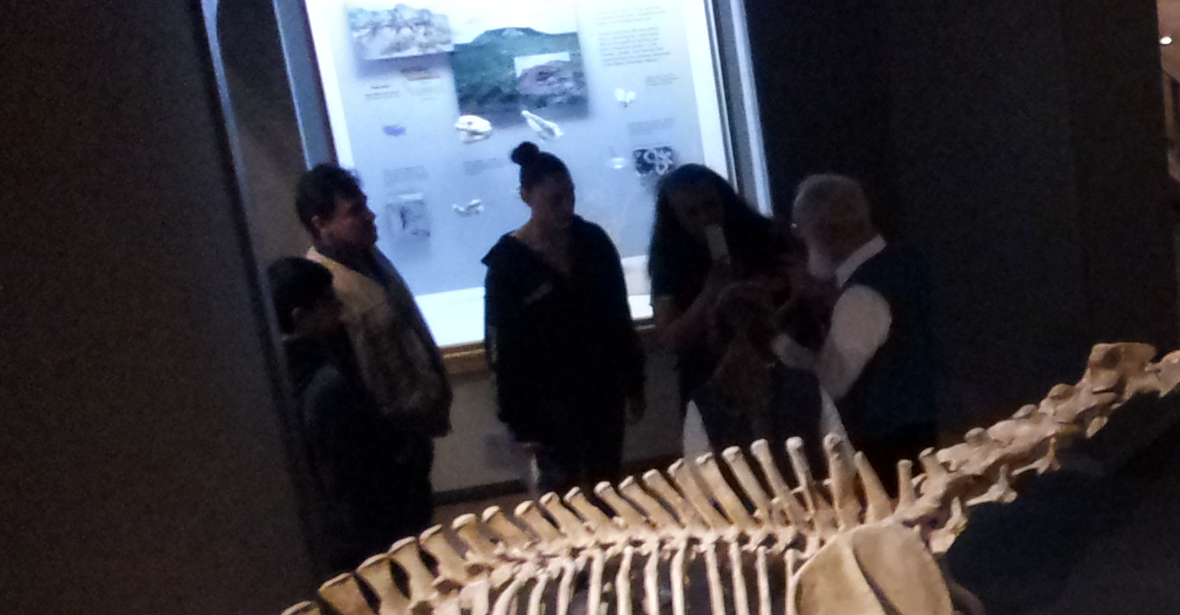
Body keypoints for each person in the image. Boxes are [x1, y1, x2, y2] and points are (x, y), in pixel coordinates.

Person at [295, 162, 448, 543]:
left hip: (411, 439)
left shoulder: (373, 259)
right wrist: (388, 442)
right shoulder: (320, 288)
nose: (370, 216)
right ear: (320, 224)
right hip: (380, 453)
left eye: (365, 205)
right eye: (354, 211)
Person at [483, 142, 642, 490]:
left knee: (606, 487)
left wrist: (634, 381)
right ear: (526, 197)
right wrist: (517, 420)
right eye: (555, 199)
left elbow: (618, 316)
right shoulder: (508, 263)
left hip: (601, 391)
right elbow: (502, 347)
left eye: (570, 196)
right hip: (546, 404)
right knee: (558, 497)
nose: (567, 206)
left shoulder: (593, 242)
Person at [781, 172, 937, 481]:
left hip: (891, 455)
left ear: (825, 232)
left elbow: (829, 384)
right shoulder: (910, 261)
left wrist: (774, 340)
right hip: (930, 432)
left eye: (801, 230)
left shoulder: (862, 295)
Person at [647, 163, 808, 453]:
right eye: (691, 212)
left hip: (776, 368)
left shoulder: (764, 235)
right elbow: (670, 338)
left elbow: (802, 288)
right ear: (675, 218)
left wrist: (772, 291)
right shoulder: (669, 262)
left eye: (711, 205)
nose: (705, 217)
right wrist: (709, 294)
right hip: (709, 379)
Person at [267, 256, 408, 572]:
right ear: (300, 316)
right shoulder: (328, 387)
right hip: (357, 545)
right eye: (328, 302)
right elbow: (350, 481)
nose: (340, 309)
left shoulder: (271, 381)